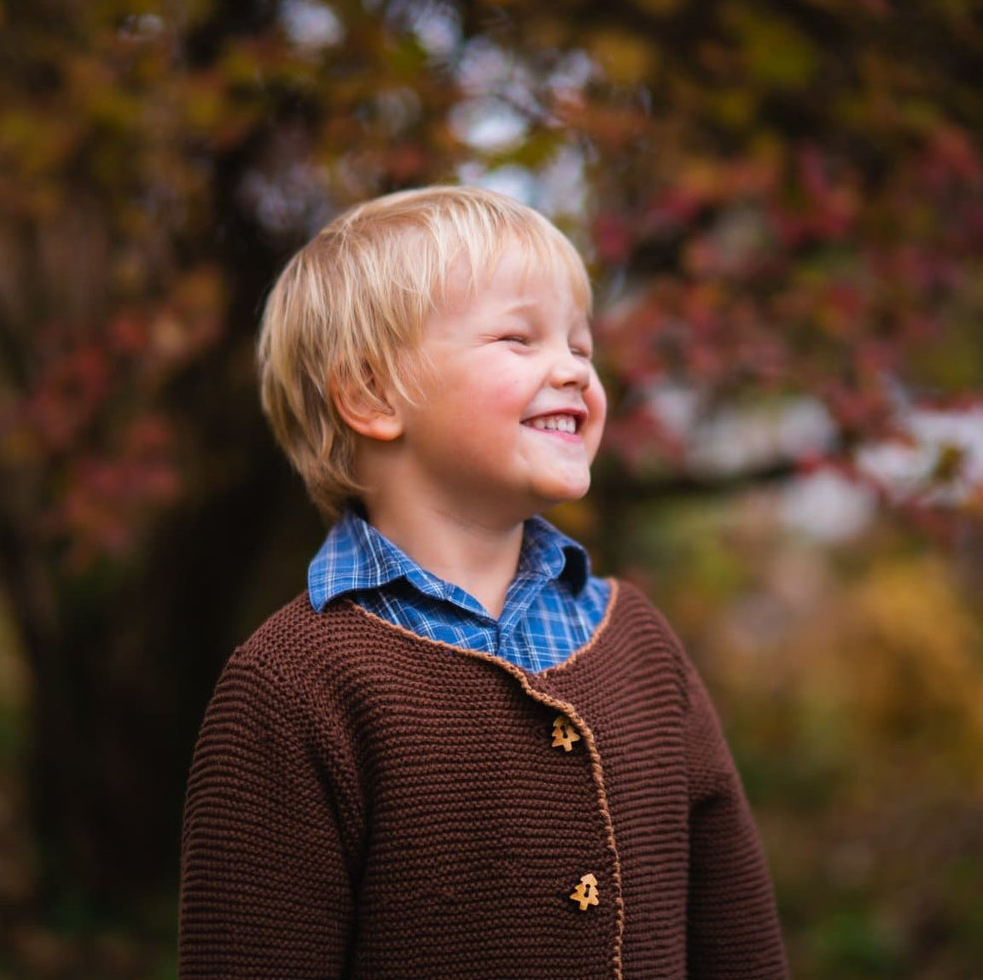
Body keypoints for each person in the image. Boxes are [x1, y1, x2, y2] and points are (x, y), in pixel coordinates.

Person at [177, 186, 788, 979]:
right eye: (518, 339)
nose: (572, 370)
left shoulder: (639, 645)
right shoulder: (292, 685)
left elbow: (740, 947)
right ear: (370, 395)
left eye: (581, 347)